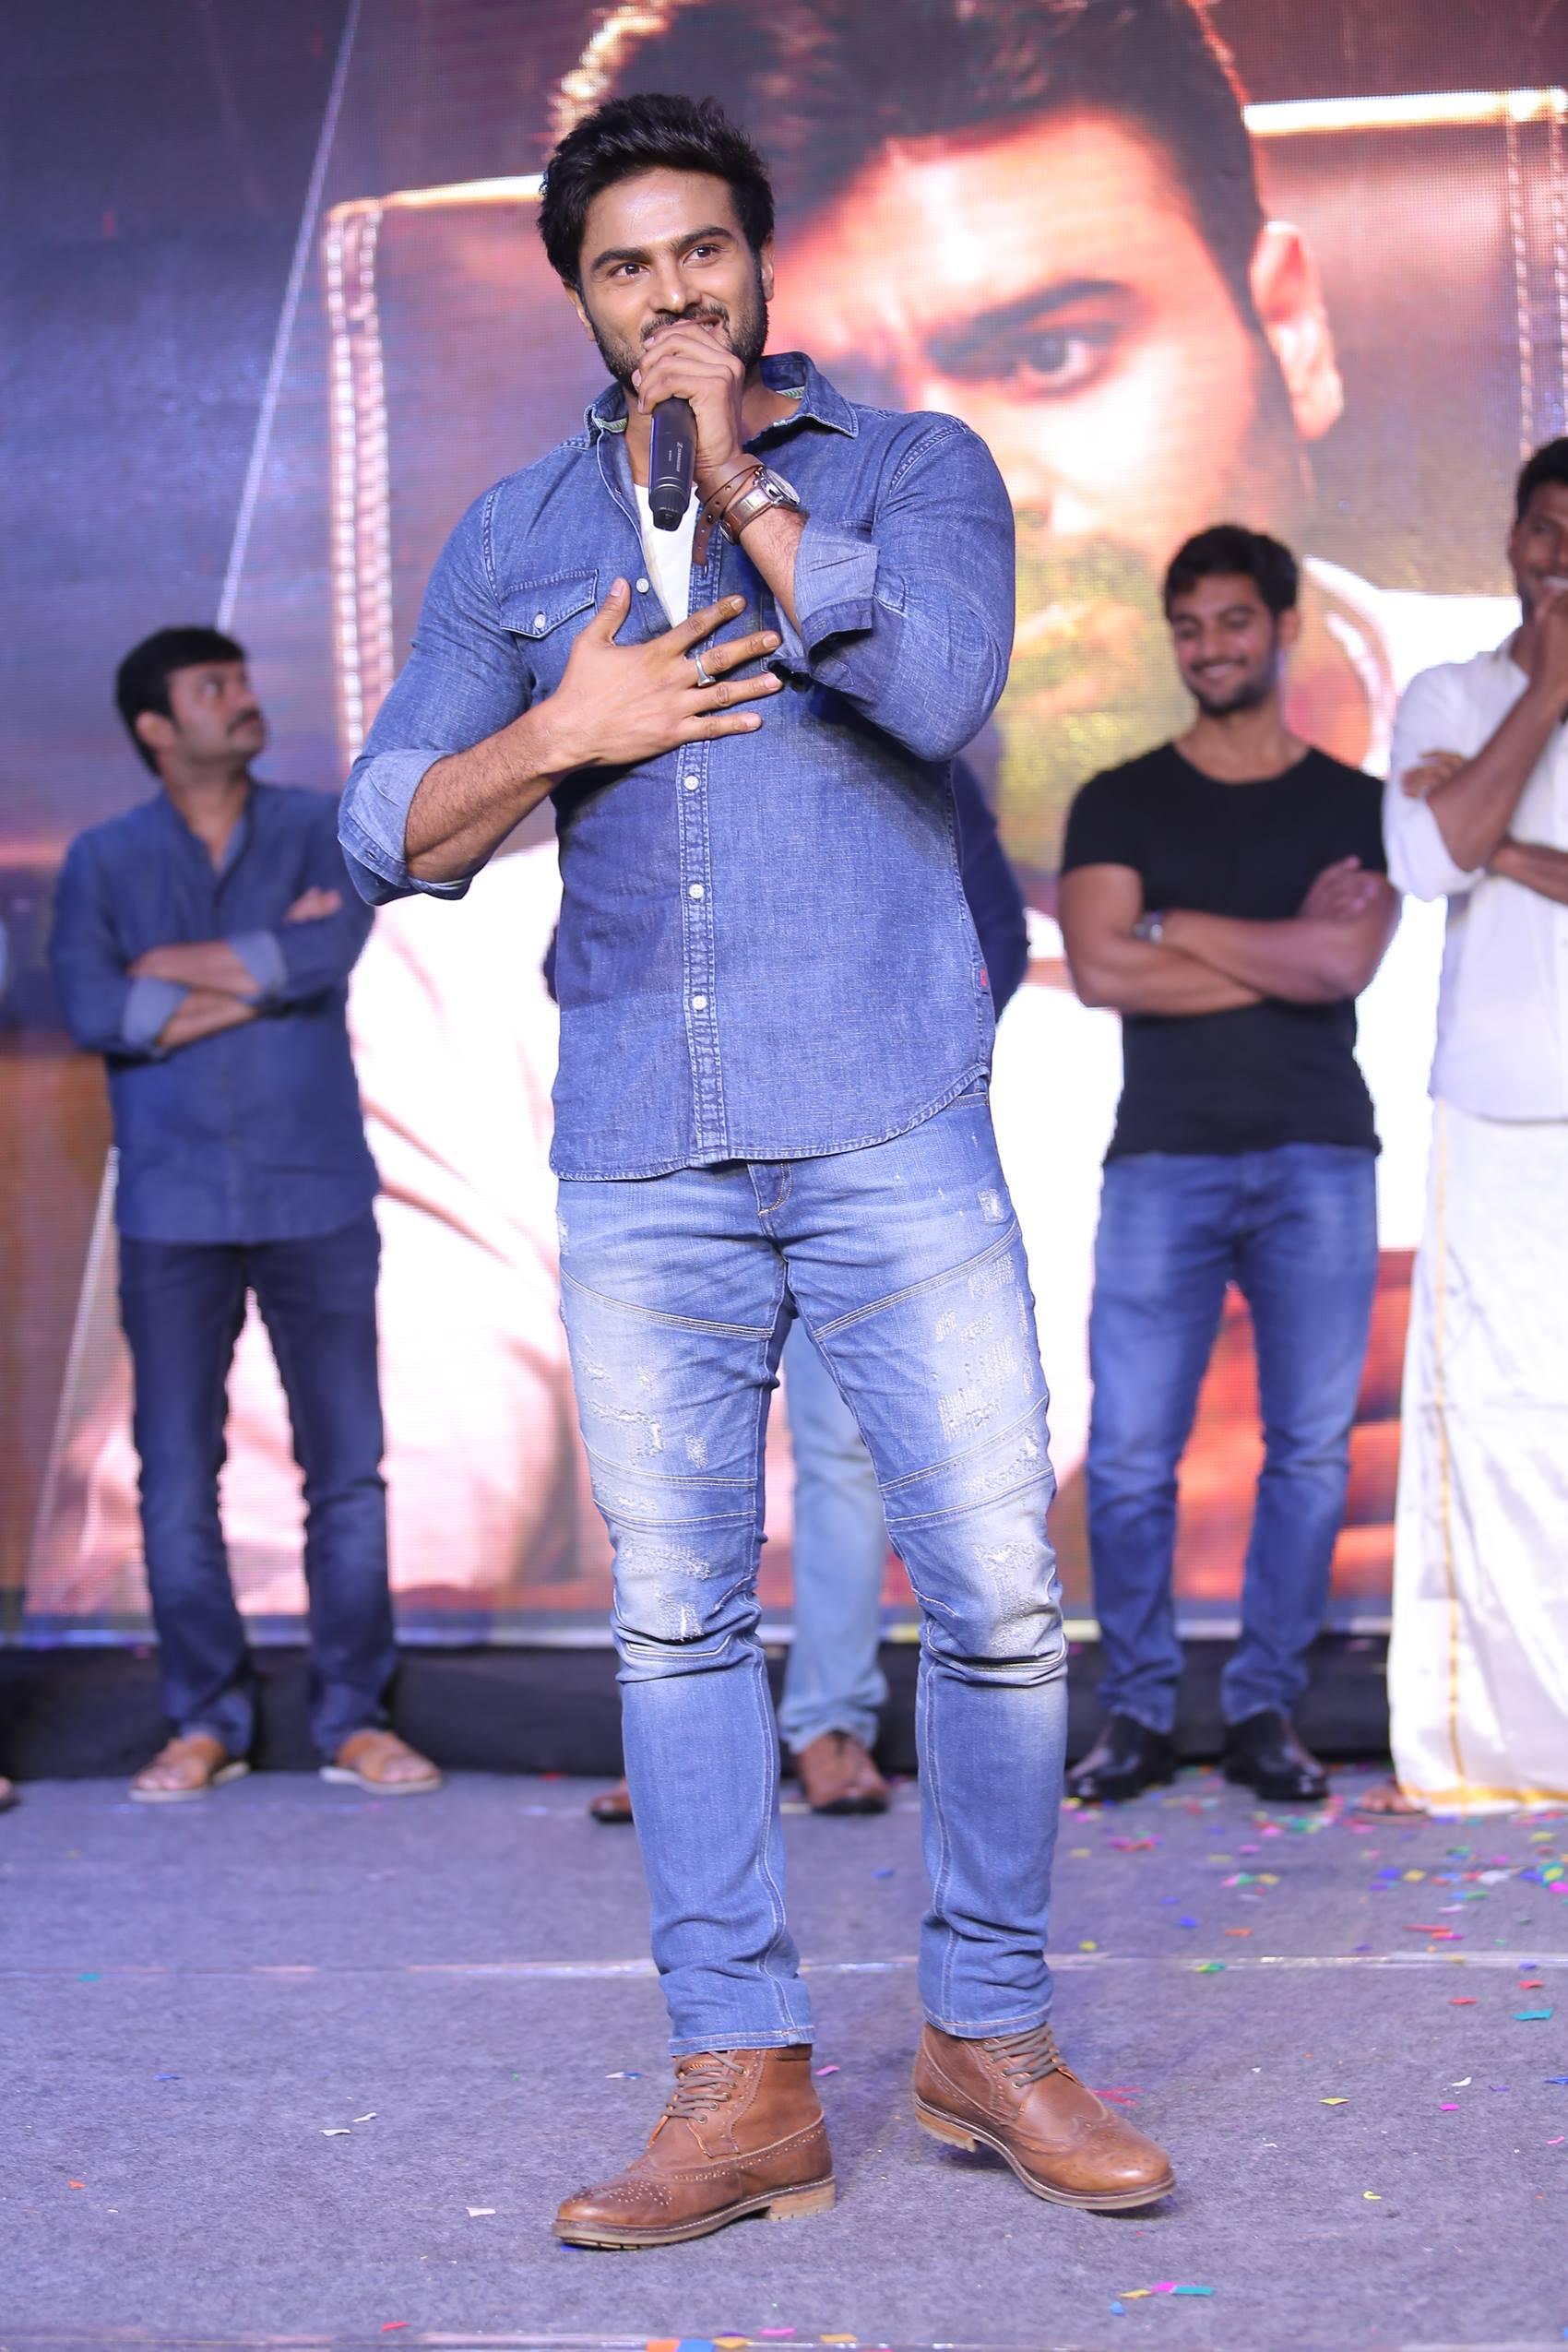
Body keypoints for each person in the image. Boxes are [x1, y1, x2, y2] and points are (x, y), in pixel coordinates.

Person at [340, 93, 1172, 2245]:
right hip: (644, 1152)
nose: (671, 293)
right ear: (580, 295)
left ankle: (986, 2033)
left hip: (889, 1120)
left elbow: (945, 686)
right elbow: (382, 830)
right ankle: (743, 2080)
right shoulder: (517, 538)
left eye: (700, 250)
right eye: (625, 266)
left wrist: (736, 489)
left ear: (756, 259)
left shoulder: (907, 467)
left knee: (996, 1609)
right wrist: (564, 728)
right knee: (678, 1624)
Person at [585, 763, 1031, 1823]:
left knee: (841, 1453)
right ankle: (684, 1735)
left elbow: (990, 946)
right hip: (679, 1157)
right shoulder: (651, 739)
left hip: (853, 1149)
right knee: (674, 1462)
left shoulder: (893, 740)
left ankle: (829, 1723)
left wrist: (878, 1069)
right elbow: (587, 956)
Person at [50, 628, 440, 1802]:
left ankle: (352, 1719)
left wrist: (170, 973)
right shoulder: (105, 858)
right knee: (175, 1477)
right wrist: (257, 977)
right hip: (172, 1211)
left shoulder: (318, 827)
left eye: (243, 680)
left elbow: (329, 952)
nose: (243, 699)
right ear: (156, 728)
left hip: (314, 1193)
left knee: (347, 1472)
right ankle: (203, 1720)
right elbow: (94, 1007)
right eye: (212, 688)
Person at [1057, 528, 1398, 1804]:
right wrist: (1279, 948)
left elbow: (1343, 964)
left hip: (1320, 1155)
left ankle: (1264, 1707)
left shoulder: (1355, 804)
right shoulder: (1119, 798)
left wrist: (1173, 923)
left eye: (1233, 621)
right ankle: (1138, 1710)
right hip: (1165, 1158)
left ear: (1283, 626)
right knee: (1129, 1456)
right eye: (1188, 626)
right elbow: (1101, 970)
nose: (1209, 647)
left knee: (1307, 1452)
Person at [1363, 440, 1568, 1817]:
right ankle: (1508, 1746)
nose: (1562, 560)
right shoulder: (1452, 693)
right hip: (1493, 1115)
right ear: (1508, 540)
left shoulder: (1460, 736)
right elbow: (1427, 857)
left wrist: (1499, 837)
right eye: (1546, 531)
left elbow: (1462, 839)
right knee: (1497, 1434)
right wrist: (1545, 694)